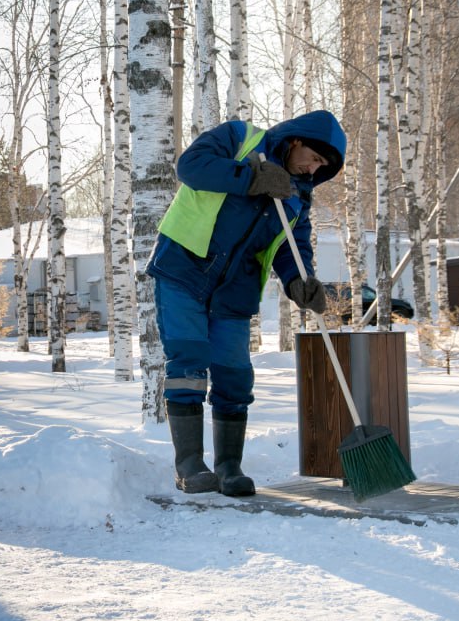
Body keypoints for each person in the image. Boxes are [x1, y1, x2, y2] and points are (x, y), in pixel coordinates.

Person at [146, 110, 346, 496]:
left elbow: (292, 245)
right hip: (185, 267)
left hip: (236, 287)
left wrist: (298, 280)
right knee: (188, 360)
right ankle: (188, 465)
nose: (312, 169)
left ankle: (228, 467)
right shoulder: (239, 138)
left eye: (321, 166)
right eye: (313, 157)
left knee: (234, 373)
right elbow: (191, 167)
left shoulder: (297, 196)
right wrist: (250, 178)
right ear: (296, 141)